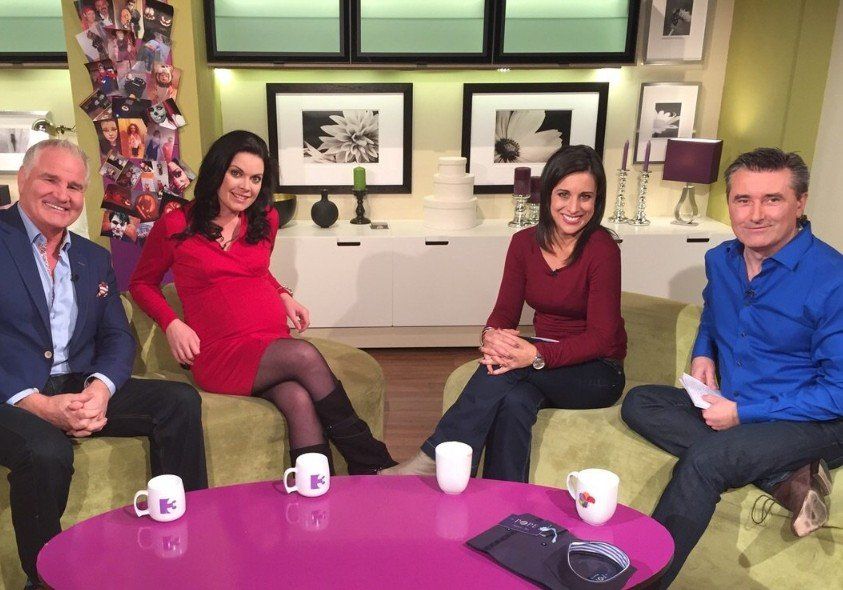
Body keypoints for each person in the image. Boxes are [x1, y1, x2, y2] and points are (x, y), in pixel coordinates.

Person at [621, 148, 843, 587]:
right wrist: (703, 351)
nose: (755, 214)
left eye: (772, 199)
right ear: (729, 203)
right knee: (640, 401)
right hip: (735, 403)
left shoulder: (832, 278)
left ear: (800, 203)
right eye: (743, 200)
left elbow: (838, 392)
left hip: (813, 419)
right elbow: (712, 311)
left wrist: (744, 415)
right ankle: (785, 477)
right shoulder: (721, 260)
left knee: (708, 459)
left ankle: (639, 582)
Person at [0, 140, 208, 589]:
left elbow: (116, 335)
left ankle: (184, 536)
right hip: (8, 392)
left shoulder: (93, 257)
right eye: (50, 180)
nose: (63, 194)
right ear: (22, 179)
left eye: (74, 186)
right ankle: (43, 580)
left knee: (178, 402)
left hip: (74, 381)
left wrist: (101, 389)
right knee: (44, 450)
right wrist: (34, 403)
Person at [129, 130, 396, 475]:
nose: (246, 187)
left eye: (255, 179)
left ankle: (318, 494)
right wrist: (172, 323)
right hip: (221, 353)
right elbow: (141, 283)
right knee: (304, 355)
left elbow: (256, 271)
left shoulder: (264, 219)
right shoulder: (176, 225)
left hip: (269, 341)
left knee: (298, 400)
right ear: (217, 171)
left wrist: (283, 293)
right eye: (236, 173)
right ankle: (370, 460)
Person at [383, 145, 627, 481]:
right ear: (547, 194)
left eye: (585, 197)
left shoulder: (603, 250)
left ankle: (437, 455)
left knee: (508, 368)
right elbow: (503, 313)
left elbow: (602, 339)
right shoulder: (524, 243)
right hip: (541, 359)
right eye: (563, 194)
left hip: (597, 372)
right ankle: (503, 499)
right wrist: (491, 337)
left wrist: (535, 354)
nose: (574, 207)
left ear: (597, 201)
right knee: (515, 401)